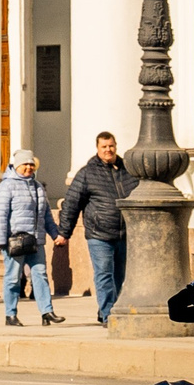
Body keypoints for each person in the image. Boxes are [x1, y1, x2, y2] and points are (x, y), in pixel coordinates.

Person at [58, 131, 140, 325]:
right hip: (99, 234)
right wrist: (64, 232)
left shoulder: (127, 171)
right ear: (97, 149)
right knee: (104, 274)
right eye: (104, 147)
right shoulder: (87, 173)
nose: (108, 150)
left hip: (124, 234)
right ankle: (108, 315)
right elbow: (71, 202)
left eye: (111, 146)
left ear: (116, 146)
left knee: (120, 276)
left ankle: (112, 309)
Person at [0, 149, 65, 327]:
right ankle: (10, 314)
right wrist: (0, 240)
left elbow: (46, 215)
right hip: (15, 241)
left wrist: (56, 234)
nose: (29, 167)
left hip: (36, 240)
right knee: (13, 278)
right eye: (25, 164)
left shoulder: (38, 186)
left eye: (31, 164)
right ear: (17, 165)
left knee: (40, 275)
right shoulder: (6, 186)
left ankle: (47, 312)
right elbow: (0, 214)